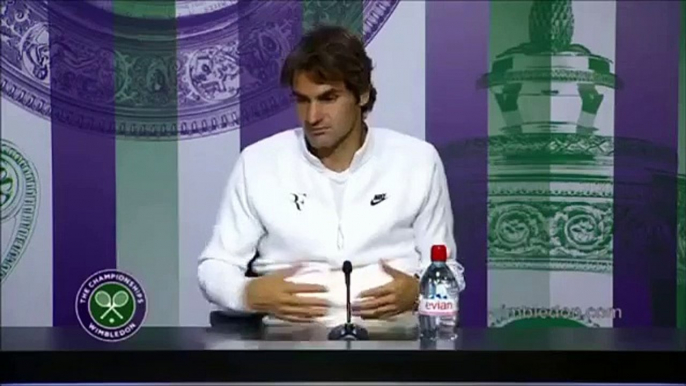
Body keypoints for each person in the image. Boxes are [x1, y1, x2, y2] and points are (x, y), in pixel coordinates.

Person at [197, 24, 465, 326]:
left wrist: (418, 292)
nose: (312, 117)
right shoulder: (258, 163)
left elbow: (447, 270)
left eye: (328, 98)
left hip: (394, 345)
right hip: (287, 347)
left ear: (361, 95)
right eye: (302, 100)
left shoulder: (418, 160)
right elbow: (215, 266)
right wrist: (247, 293)